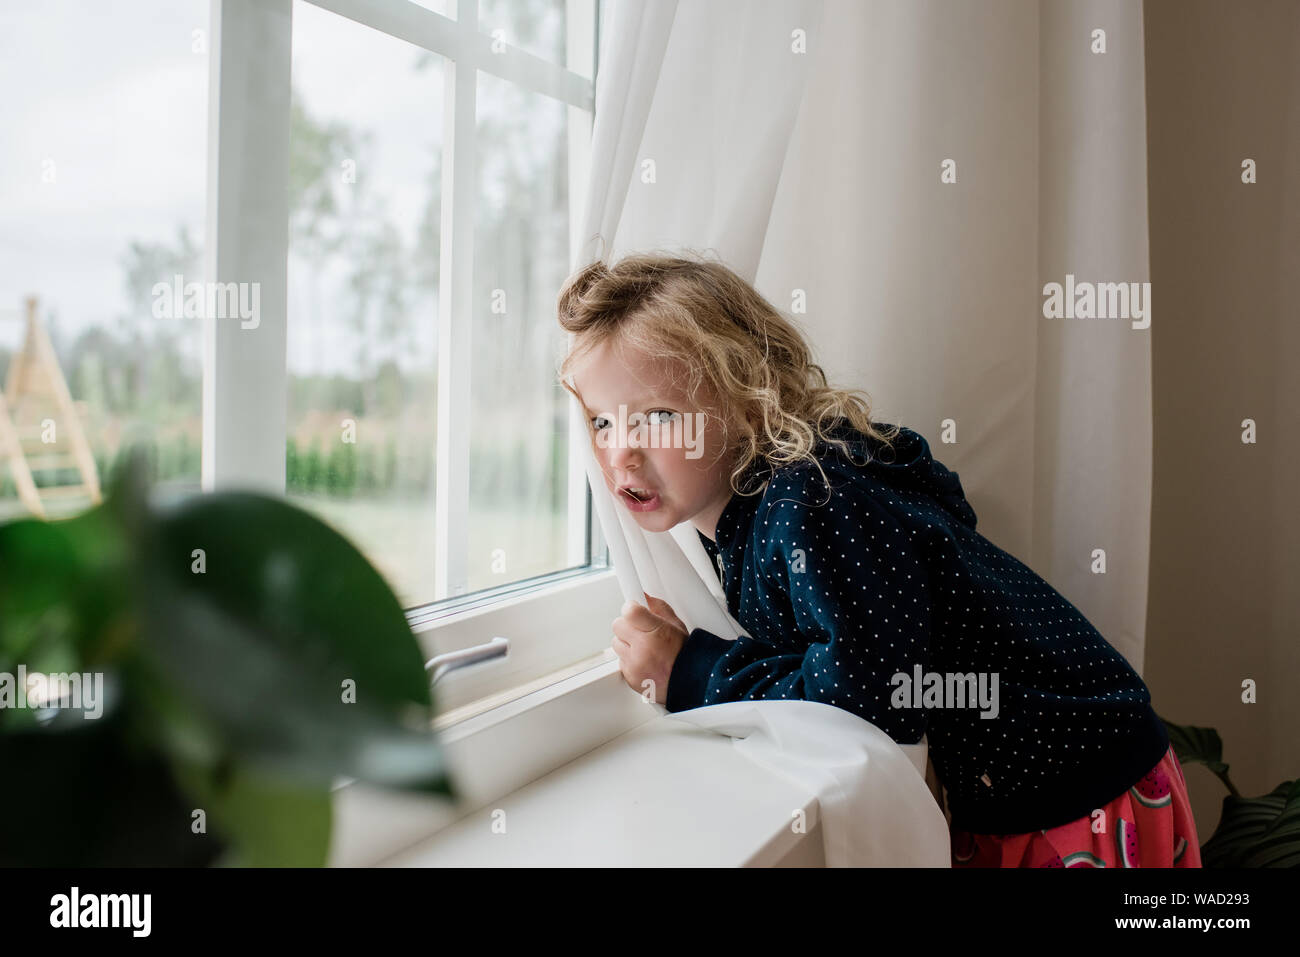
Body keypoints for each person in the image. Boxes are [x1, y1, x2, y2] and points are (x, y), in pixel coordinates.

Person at [555, 251, 1201, 868]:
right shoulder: (755, 509)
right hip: (1027, 785)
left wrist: (691, 671)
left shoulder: (812, 501)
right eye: (602, 422)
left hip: (1076, 788)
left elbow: (865, 704)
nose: (620, 453)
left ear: (747, 400)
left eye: (657, 417)